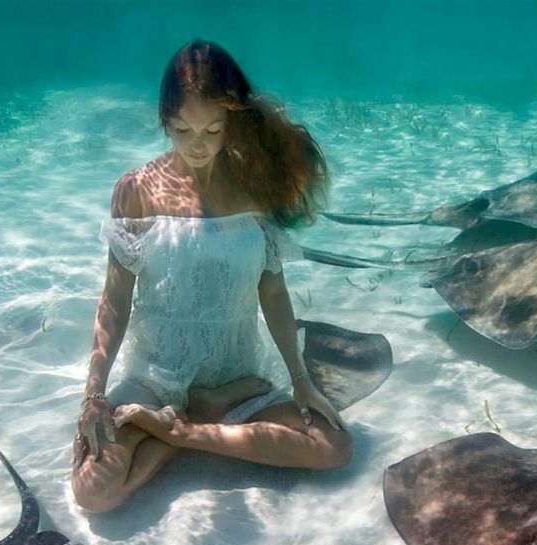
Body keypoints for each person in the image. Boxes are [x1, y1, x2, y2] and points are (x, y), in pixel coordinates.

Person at [71, 39, 353, 513]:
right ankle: (195, 415)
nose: (197, 145)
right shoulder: (135, 190)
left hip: (238, 372)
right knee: (92, 491)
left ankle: (181, 430)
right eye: (182, 129)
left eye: (212, 130)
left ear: (231, 124)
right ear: (165, 121)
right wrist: (93, 394)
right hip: (157, 375)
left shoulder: (255, 186)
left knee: (335, 445)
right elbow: (114, 300)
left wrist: (300, 379)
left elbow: (274, 290)